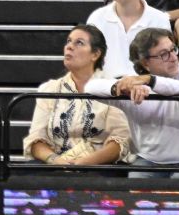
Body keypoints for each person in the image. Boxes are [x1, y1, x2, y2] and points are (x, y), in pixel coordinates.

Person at [109, 27, 179, 175]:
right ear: (145, 63)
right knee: (135, 181)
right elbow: (91, 87)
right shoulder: (135, 84)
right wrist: (118, 87)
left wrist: (150, 80)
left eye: (173, 49)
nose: (173, 57)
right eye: (164, 54)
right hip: (148, 160)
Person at [27, 25, 129, 166]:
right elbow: (36, 140)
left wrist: (84, 162)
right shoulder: (50, 89)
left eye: (79, 43)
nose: (69, 47)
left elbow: (119, 142)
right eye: (68, 41)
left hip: (98, 166)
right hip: (57, 163)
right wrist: (56, 160)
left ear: (95, 54)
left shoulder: (112, 89)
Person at [89, 0, 173, 76]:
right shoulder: (97, 18)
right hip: (106, 86)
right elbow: (89, 64)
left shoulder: (159, 20)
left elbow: (164, 65)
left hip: (146, 85)